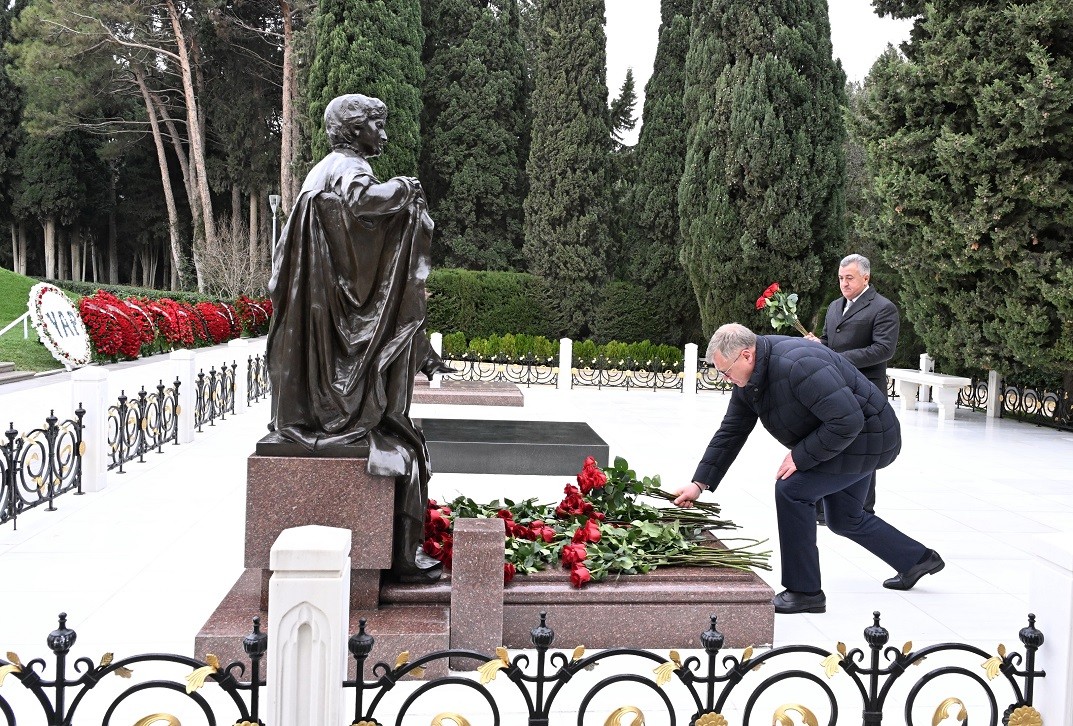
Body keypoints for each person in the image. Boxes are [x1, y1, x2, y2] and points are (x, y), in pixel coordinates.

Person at [265, 93, 442, 582]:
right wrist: (406, 190)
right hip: (334, 324)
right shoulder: (348, 168)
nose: (384, 135)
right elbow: (364, 204)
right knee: (400, 443)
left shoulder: (321, 170)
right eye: (377, 126)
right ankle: (403, 557)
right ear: (355, 129)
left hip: (320, 318)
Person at [673, 324, 943, 614]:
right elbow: (732, 431)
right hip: (844, 436)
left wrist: (801, 457)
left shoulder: (798, 365)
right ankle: (917, 560)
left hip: (869, 437)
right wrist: (699, 483)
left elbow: (847, 421)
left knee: (792, 490)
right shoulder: (750, 379)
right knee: (844, 518)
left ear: (747, 355)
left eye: (726, 371)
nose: (726, 379)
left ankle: (804, 592)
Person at [805, 253, 899, 518]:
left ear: (865, 278)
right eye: (840, 278)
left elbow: (883, 349)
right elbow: (828, 340)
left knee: (865, 451)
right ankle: (824, 509)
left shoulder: (883, 308)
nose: (844, 283)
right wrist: (818, 346)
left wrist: (837, 359)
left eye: (849, 278)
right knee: (831, 445)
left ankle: (861, 509)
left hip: (867, 390)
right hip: (835, 388)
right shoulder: (835, 306)